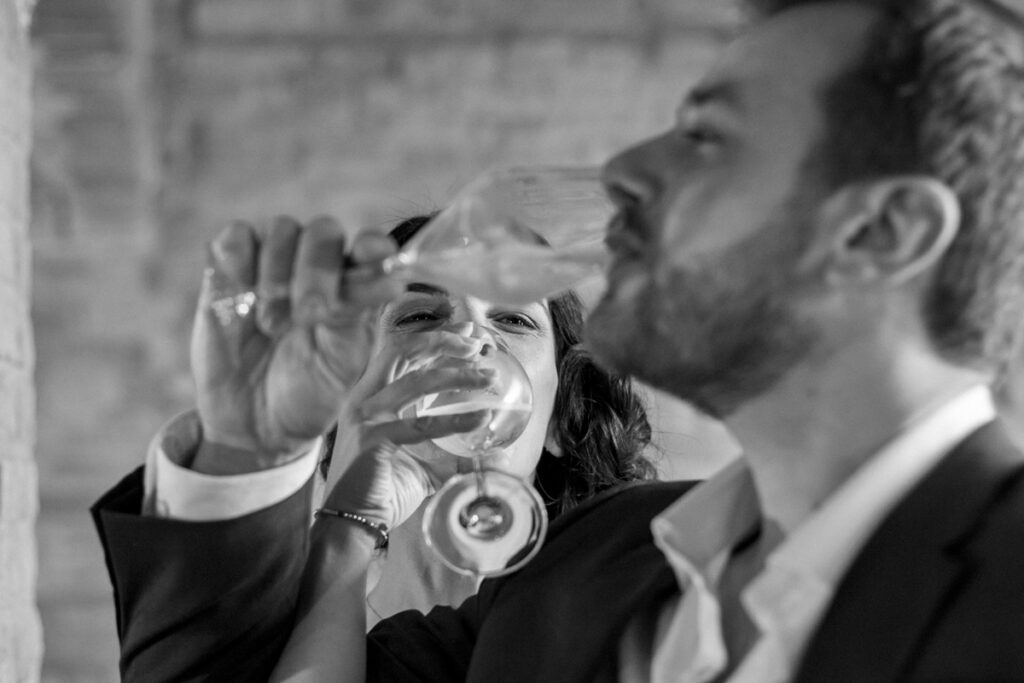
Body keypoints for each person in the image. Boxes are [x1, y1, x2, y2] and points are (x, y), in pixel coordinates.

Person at [93, 0, 1024, 680]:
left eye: (708, 138)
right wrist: (257, 454)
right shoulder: (594, 567)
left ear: (881, 233)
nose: (623, 170)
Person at [315, 214, 654, 626]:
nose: (470, 336)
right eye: (419, 316)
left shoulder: (632, 621)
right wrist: (350, 521)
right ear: (353, 396)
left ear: (563, 418)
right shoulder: (273, 641)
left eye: (514, 320)